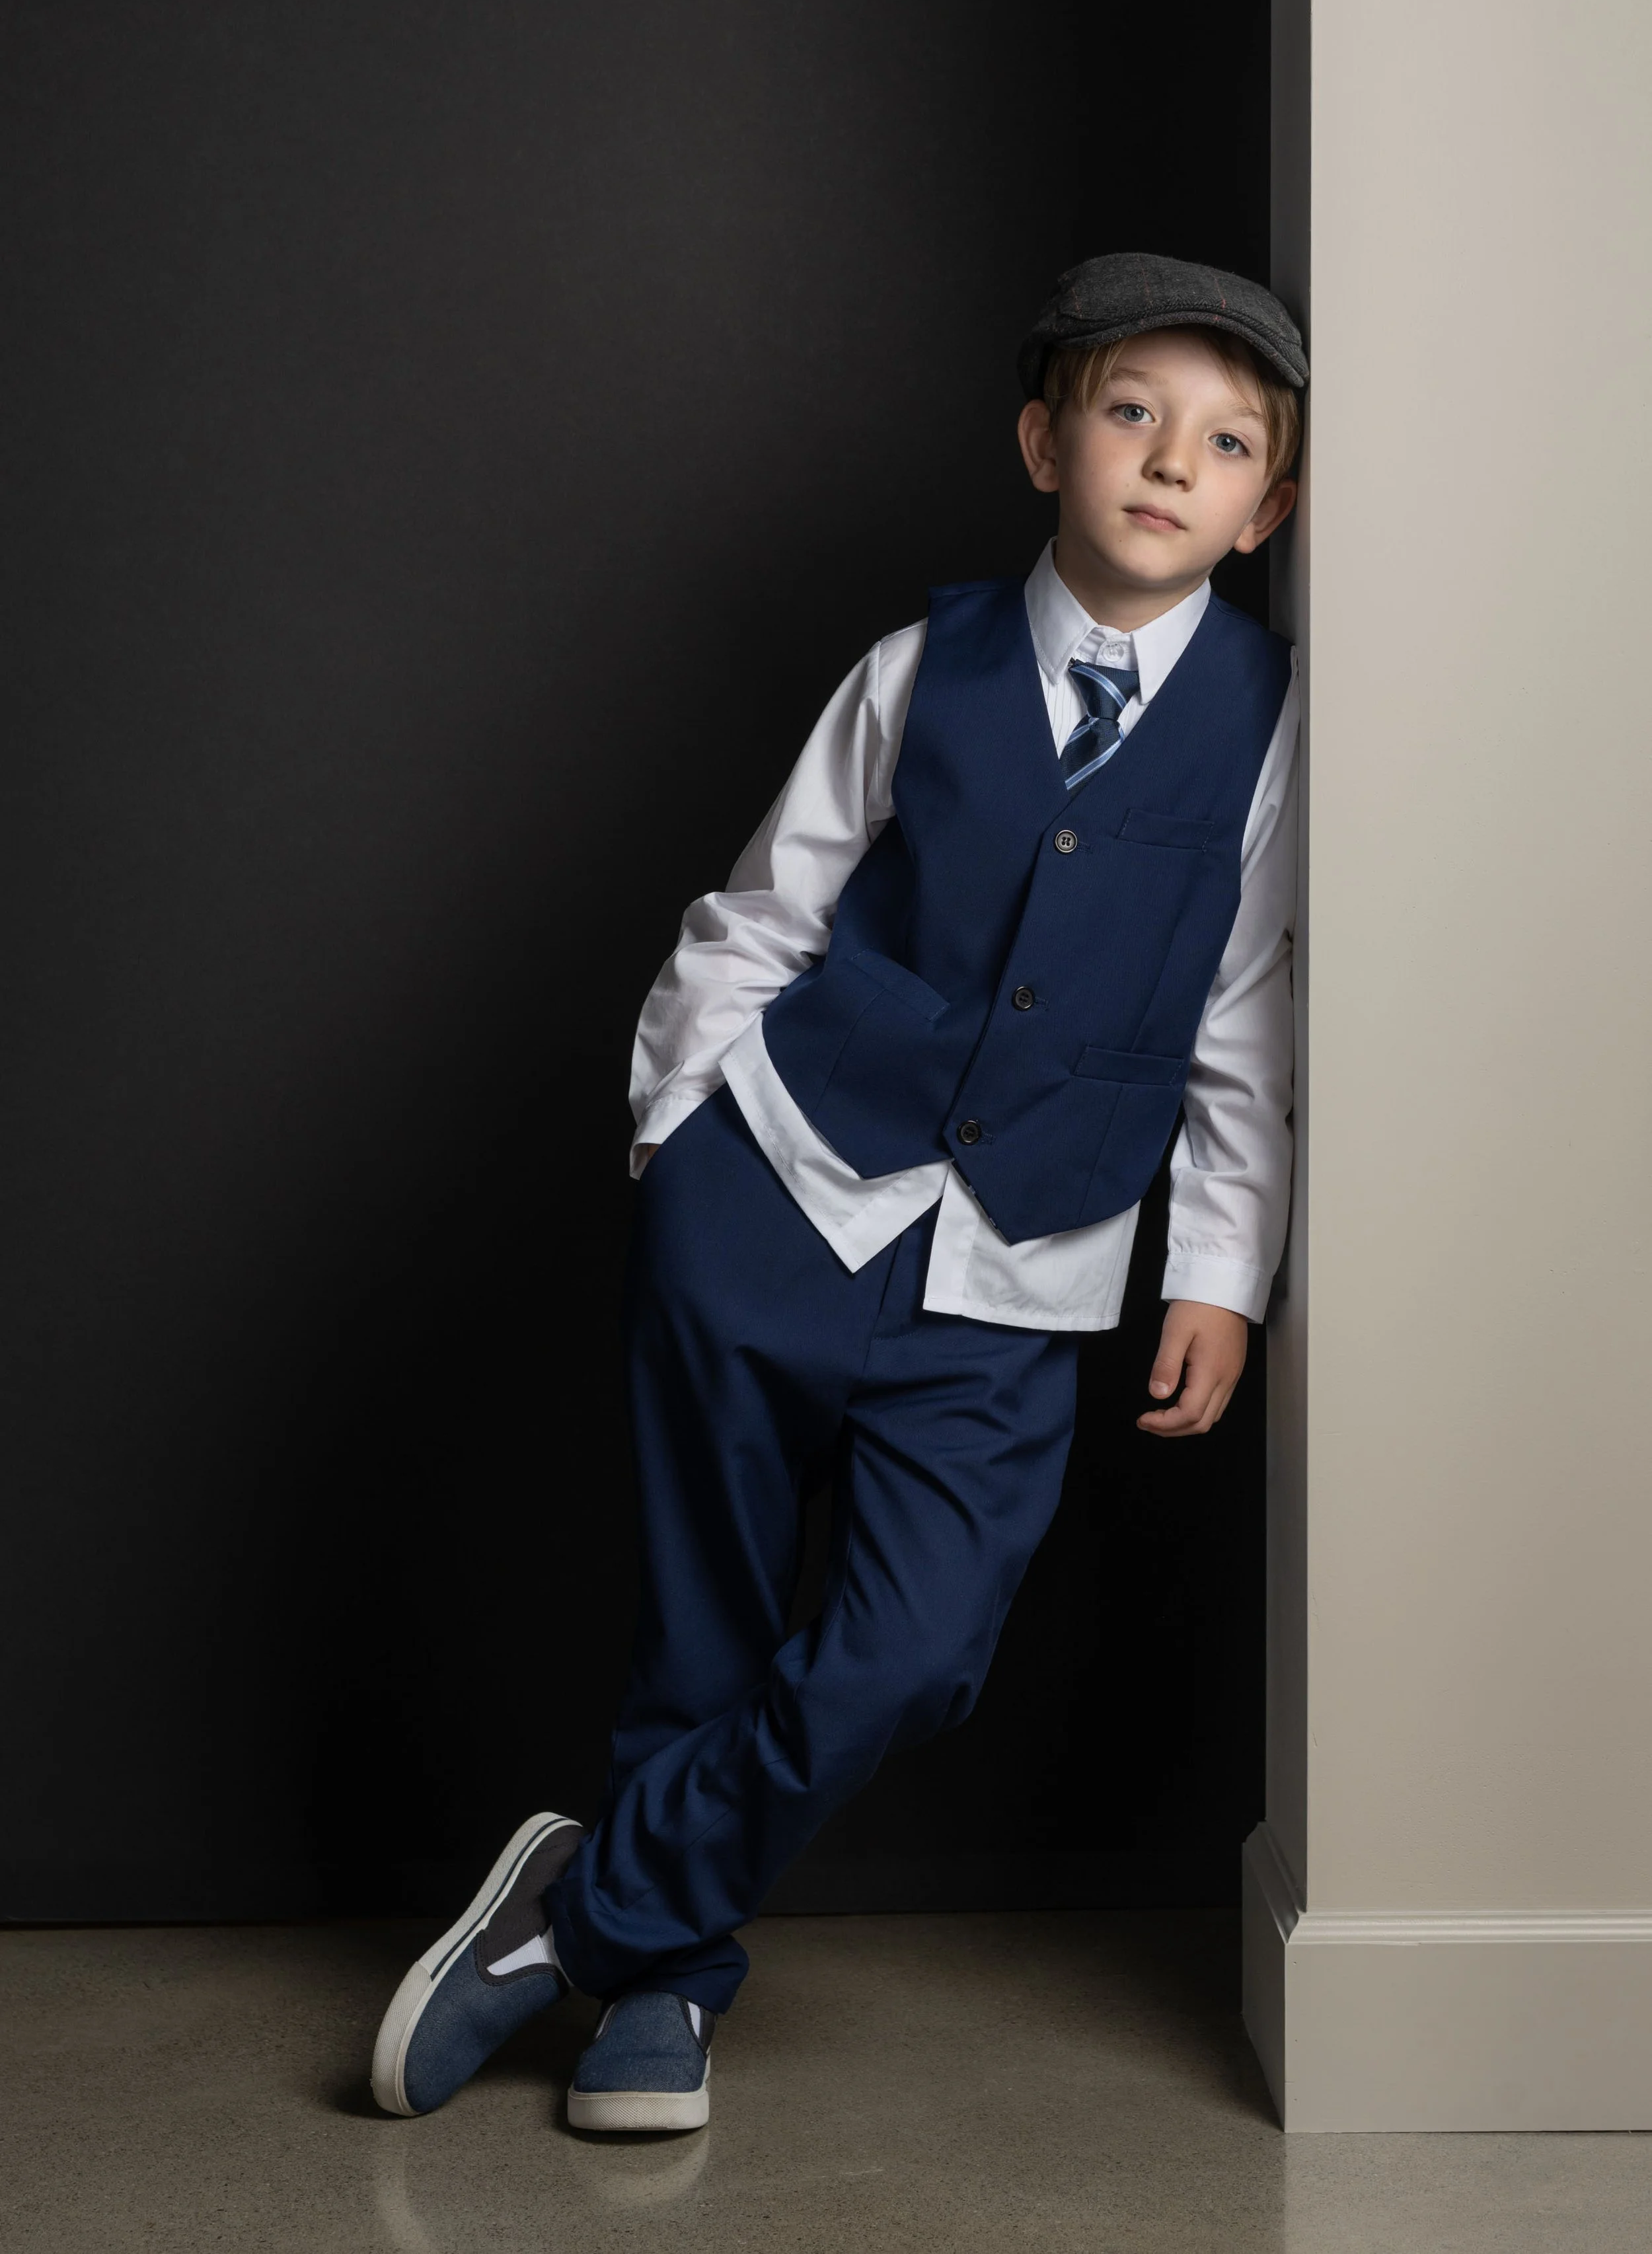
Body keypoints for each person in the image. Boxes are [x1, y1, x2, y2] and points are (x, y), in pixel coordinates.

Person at [370, 251, 1305, 2134]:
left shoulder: (1270, 726)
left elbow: (1244, 1009)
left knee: (912, 1650)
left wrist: (1219, 1266)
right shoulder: (918, 664)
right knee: (702, 1619)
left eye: (1221, 441)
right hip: (776, 1190)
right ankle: (670, 1991)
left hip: (1019, 1265)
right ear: (1044, 438)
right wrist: (674, 1136)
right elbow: (764, 906)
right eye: (1128, 412)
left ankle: (589, 1910)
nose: (1164, 459)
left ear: (1265, 507)